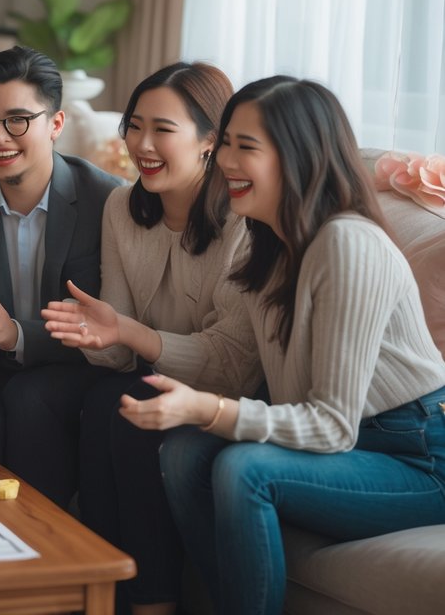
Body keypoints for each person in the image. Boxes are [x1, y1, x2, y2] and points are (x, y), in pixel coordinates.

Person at [112, 77, 445, 615]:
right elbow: (263, 383)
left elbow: (332, 425)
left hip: (418, 458)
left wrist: (209, 409)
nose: (223, 161)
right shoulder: (269, 249)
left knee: (246, 469)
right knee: (184, 451)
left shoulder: (347, 245)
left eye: (246, 147)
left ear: (299, 157)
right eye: (226, 143)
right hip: (355, 445)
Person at [41, 62, 262, 615]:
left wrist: (127, 335)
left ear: (212, 139)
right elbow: (119, 351)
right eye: (134, 126)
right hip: (151, 379)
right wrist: (96, 339)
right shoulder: (122, 207)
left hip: (229, 395)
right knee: (103, 400)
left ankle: (152, 602)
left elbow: (233, 366)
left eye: (163, 130)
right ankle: (100, 594)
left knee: (132, 406)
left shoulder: (245, 221)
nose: (141, 144)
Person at [0, 45, 122, 505]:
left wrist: (18, 334)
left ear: (55, 124)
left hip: (75, 368)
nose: (0, 138)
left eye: (18, 120)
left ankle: (41, 542)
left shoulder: (105, 201)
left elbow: (104, 323)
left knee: (29, 395)